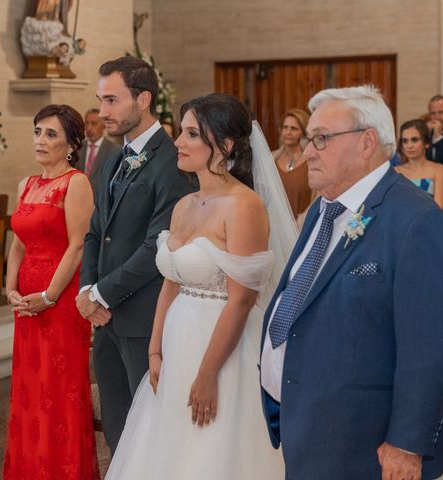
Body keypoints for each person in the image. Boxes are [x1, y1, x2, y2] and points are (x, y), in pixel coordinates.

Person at [260, 86, 443, 479]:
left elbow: (432, 349)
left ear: (367, 141)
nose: (307, 152)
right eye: (309, 139)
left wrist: (407, 443)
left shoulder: (418, 223)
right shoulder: (324, 207)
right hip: (310, 428)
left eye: (321, 138)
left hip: (365, 444)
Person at [105, 93, 288, 479]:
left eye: (191, 134)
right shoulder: (185, 204)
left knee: (213, 449)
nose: (178, 142)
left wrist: (207, 373)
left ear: (223, 146)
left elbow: (241, 301)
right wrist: (155, 352)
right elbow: (171, 283)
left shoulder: (244, 206)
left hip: (223, 348)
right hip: (177, 340)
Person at [75, 56, 195, 454]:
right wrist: (89, 288)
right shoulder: (113, 159)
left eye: (112, 101)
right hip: (106, 320)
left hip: (146, 320)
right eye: (100, 100)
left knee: (151, 432)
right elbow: (96, 231)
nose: (101, 111)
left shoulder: (173, 161)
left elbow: (156, 246)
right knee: (116, 427)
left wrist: (101, 295)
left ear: (143, 99)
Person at [3, 104, 98, 479]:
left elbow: (78, 246)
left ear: (72, 144)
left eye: (51, 134)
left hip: (59, 303)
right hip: (26, 305)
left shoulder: (76, 183)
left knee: (58, 391)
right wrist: (10, 288)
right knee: (29, 390)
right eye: (38, 131)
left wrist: (49, 296)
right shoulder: (25, 184)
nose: (41, 140)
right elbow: (18, 243)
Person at [272, 108, 315, 222]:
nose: (288, 132)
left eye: (294, 128)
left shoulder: (312, 160)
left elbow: (318, 199)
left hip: (301, 226)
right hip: (275, 226)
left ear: (304, 132)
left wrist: (301, 223)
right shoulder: (271, 158)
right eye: (285, 127)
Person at [395, 119, 443, 209]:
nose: (409, 145)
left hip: (431, 221)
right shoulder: (395, 171)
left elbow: (440, 208)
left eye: (414, 140)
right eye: (405, 141)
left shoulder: (439, 170)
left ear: (426, 143)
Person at [77, 108, 119, 198]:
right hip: (78, 199)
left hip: (101, 202)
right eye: (86, 123)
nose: (89, 128)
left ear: (104, 125)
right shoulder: (77, 148)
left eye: (94, 123)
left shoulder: (114, 150)